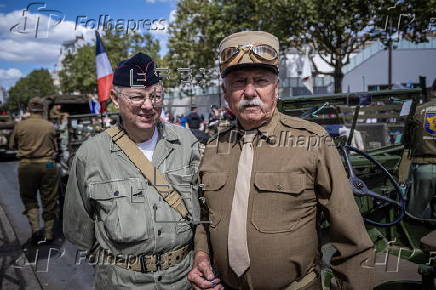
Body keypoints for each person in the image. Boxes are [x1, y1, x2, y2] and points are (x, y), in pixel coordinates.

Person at [188, 31, 374, 290]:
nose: (250, 92)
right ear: (225, 91)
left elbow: (351, 239)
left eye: (260, 81)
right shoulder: (213, 148)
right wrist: (201, 255)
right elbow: (206, 218)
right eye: (239, 82)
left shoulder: (311, 141)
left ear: (276, 88)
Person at [63, 53, 200, 289]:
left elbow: (205, 211)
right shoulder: (90, 155)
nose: (148, 106)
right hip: (122, 283)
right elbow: (78, 230)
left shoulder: (186, 142)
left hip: (182, 280)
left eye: (155, 96)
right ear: (115, 98)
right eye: (137, 97)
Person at [10, 97, 60, 244]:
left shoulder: (20, 126)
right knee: (50, 199)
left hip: (27, 166)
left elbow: (12, 145)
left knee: (29, 198)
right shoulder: (49, 126)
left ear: (29, 109)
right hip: (48, 165)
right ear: (42, 109)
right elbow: (55, 147)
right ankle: (49, 233)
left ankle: (36, 230)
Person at [404, 79, 436, 219]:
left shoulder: (417, 111)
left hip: (423, 167)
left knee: (414, 216)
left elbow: (406, 141)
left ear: (433, 91)